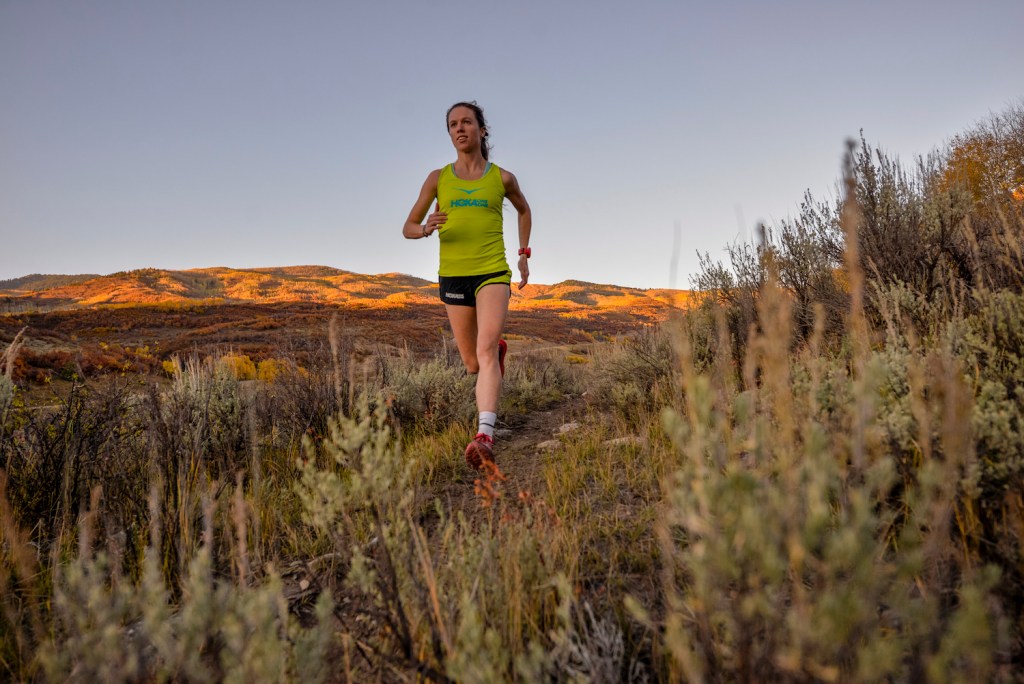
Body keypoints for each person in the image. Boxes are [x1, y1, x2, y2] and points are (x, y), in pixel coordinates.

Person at [403, 101, 532, 469]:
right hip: (454, 275)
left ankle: (485, 436)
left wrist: (523, 253)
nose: (460, 129)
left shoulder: (502, 178)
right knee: (474, 363)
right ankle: (495, 356)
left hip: (492, 271)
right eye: (453, 125)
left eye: (467, 122)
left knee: (486, 351)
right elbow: (407, 227)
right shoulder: (437, 178)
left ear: (481, 129)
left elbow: (524, 210)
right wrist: (425, 227)